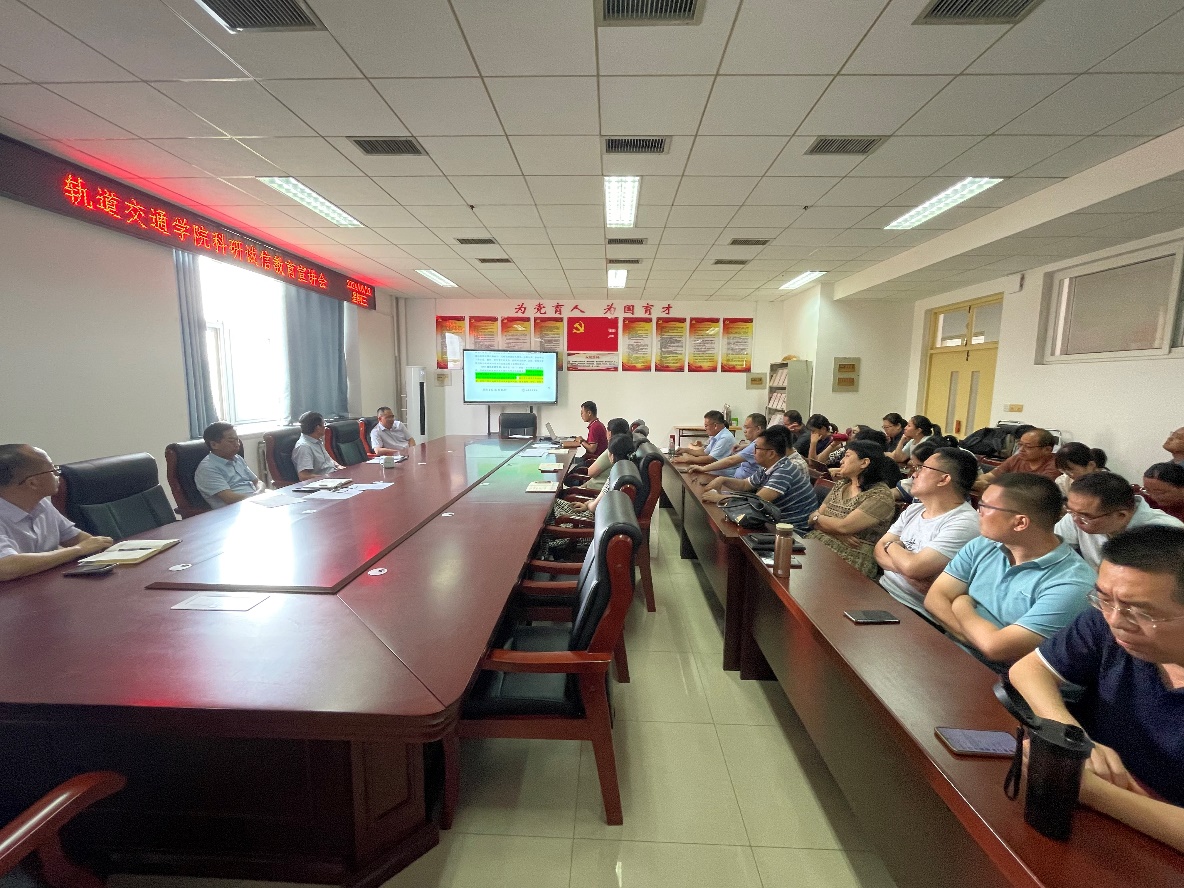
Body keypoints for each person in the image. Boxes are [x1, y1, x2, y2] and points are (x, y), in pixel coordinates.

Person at [1008, 525, 1184, 854]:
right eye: (1103, 598)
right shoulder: (1108, 622)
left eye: (1142, 611)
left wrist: (1092, 791)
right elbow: (1029, 669)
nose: (1116, 620)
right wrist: (1070, 735)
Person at [924, 474, 1094, 666]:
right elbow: (934, 599)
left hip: (1000, 676)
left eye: (986, 507)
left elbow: (997, 649)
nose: (978, 512)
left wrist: (961, 604)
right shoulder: (983, 544)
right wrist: (982, 640)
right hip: (949, 650)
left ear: (1020, 523)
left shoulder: (1072, 583)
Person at [876, 447, 981, 614]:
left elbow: (913, 567)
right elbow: (878, 552)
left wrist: (891, 546)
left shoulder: (965, 522)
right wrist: (907, 571)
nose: (914, 475)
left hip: (914, 609)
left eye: (922, 468)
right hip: (883, 589)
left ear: (944, 479)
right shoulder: (915, 509)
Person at [0, 444, 113, 581]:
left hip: (44, 584)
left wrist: (100, 547)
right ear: (32, 483)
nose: (58, 474)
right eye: (53, 470)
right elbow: (6, 567)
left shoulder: (41, 503)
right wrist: (78, 550)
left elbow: (75, 538)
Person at [805, 440, 897, 579]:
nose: (841, 461)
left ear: (864, 463)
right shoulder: (841, 485)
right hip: (817, 544)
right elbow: (813, 521)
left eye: (847, 456)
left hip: (851, 557)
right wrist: (836, 532)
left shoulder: (880, 495)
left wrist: (818, 519)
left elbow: (843, 526)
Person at [1055, 472, 1182, 570]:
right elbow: (1053, 550)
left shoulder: (1167, 533)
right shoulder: (1078, 512)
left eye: (1084, 517)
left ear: (1121, 515)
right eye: (1070, 511)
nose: (1075, 519)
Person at [701, 426, 815, 529]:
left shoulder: (784, 471)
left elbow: (757, 502)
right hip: (777, 522)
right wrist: (722, 479)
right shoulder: (769, 467)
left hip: (793, 530)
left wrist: (720, 498)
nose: (753, 451)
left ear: (771, 453)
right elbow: (745, 484)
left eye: (756, 448)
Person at [194, 422, 263, 509]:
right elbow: (230, 498)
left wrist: (261, 492)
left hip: (254, 502)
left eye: (237, 440)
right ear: (214, 445)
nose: (237, 444)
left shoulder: (238, 458)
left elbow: (257, 482)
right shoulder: (207, 468)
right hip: (233, 510)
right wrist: (256, 498)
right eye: (231, 441)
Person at [973, 428, 1060, 492]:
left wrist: (990, 486)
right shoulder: (1017, 458)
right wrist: (976, 483)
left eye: (1028, 446)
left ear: (1047, 450)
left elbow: (1035, 491)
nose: (1021, 449)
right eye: (1020, 444)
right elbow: (990, 476)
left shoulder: (1056, 464)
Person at [687, 413, 766, 480]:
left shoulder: (726, 437)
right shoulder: (759, 443)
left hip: (742, 482)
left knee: (706, 475)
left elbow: (730, 461)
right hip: (738, 476)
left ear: (758, 429)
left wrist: (701, 468)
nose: (744, 431)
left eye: (747, 427)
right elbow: (705, 452)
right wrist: (744, 446)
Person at [575, 418, 631, 491]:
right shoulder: (627, 447)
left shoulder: (611, 451)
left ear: (609, 433)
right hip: (604, 489)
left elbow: (590, 473)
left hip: (593, 491)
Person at [671, 410, 735, 467]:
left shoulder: (725, 438)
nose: (705, 428)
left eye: (706, 426)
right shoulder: (715, 435)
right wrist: (685, 450)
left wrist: (687, 459)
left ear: (715, 425)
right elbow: (705, 452)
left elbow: (711, 459)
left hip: (722, 473)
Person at [292, 411, 343, 481]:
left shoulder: (317, 440)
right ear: (318, 428)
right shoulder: (304, 447)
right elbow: (303, 476)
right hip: (324, 482)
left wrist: (338, 466)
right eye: (324, 424)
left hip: (334, 476)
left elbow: (328, 460)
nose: (325, 426)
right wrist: (327, 477)